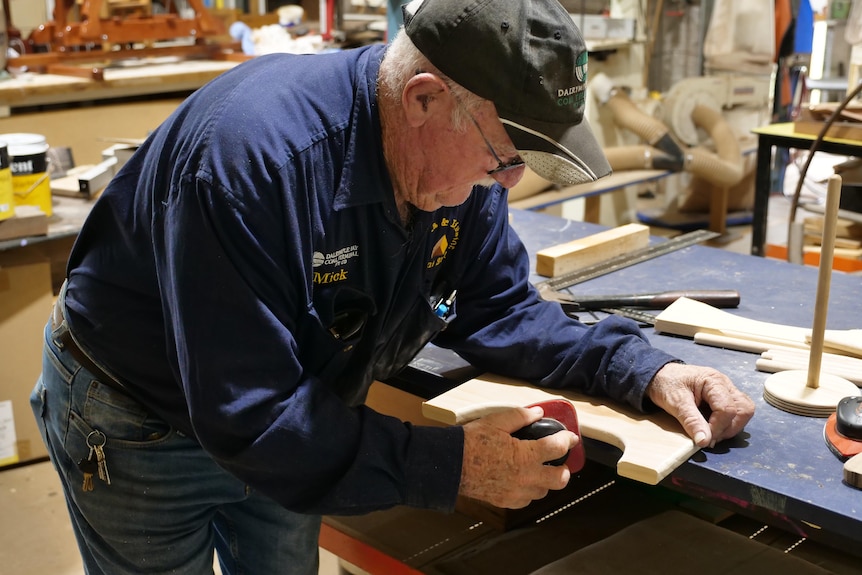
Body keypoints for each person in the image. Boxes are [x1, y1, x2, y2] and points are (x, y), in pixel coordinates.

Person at [31, 0, 755, 572]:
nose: (507, 182)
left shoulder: (458, 177)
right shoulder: (253, 166)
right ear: (422, 99)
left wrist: (643, 369)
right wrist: (453, 463)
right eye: (505, 154)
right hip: (138, 412)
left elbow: (495, 310)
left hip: (295, 410)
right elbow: (250, 416)